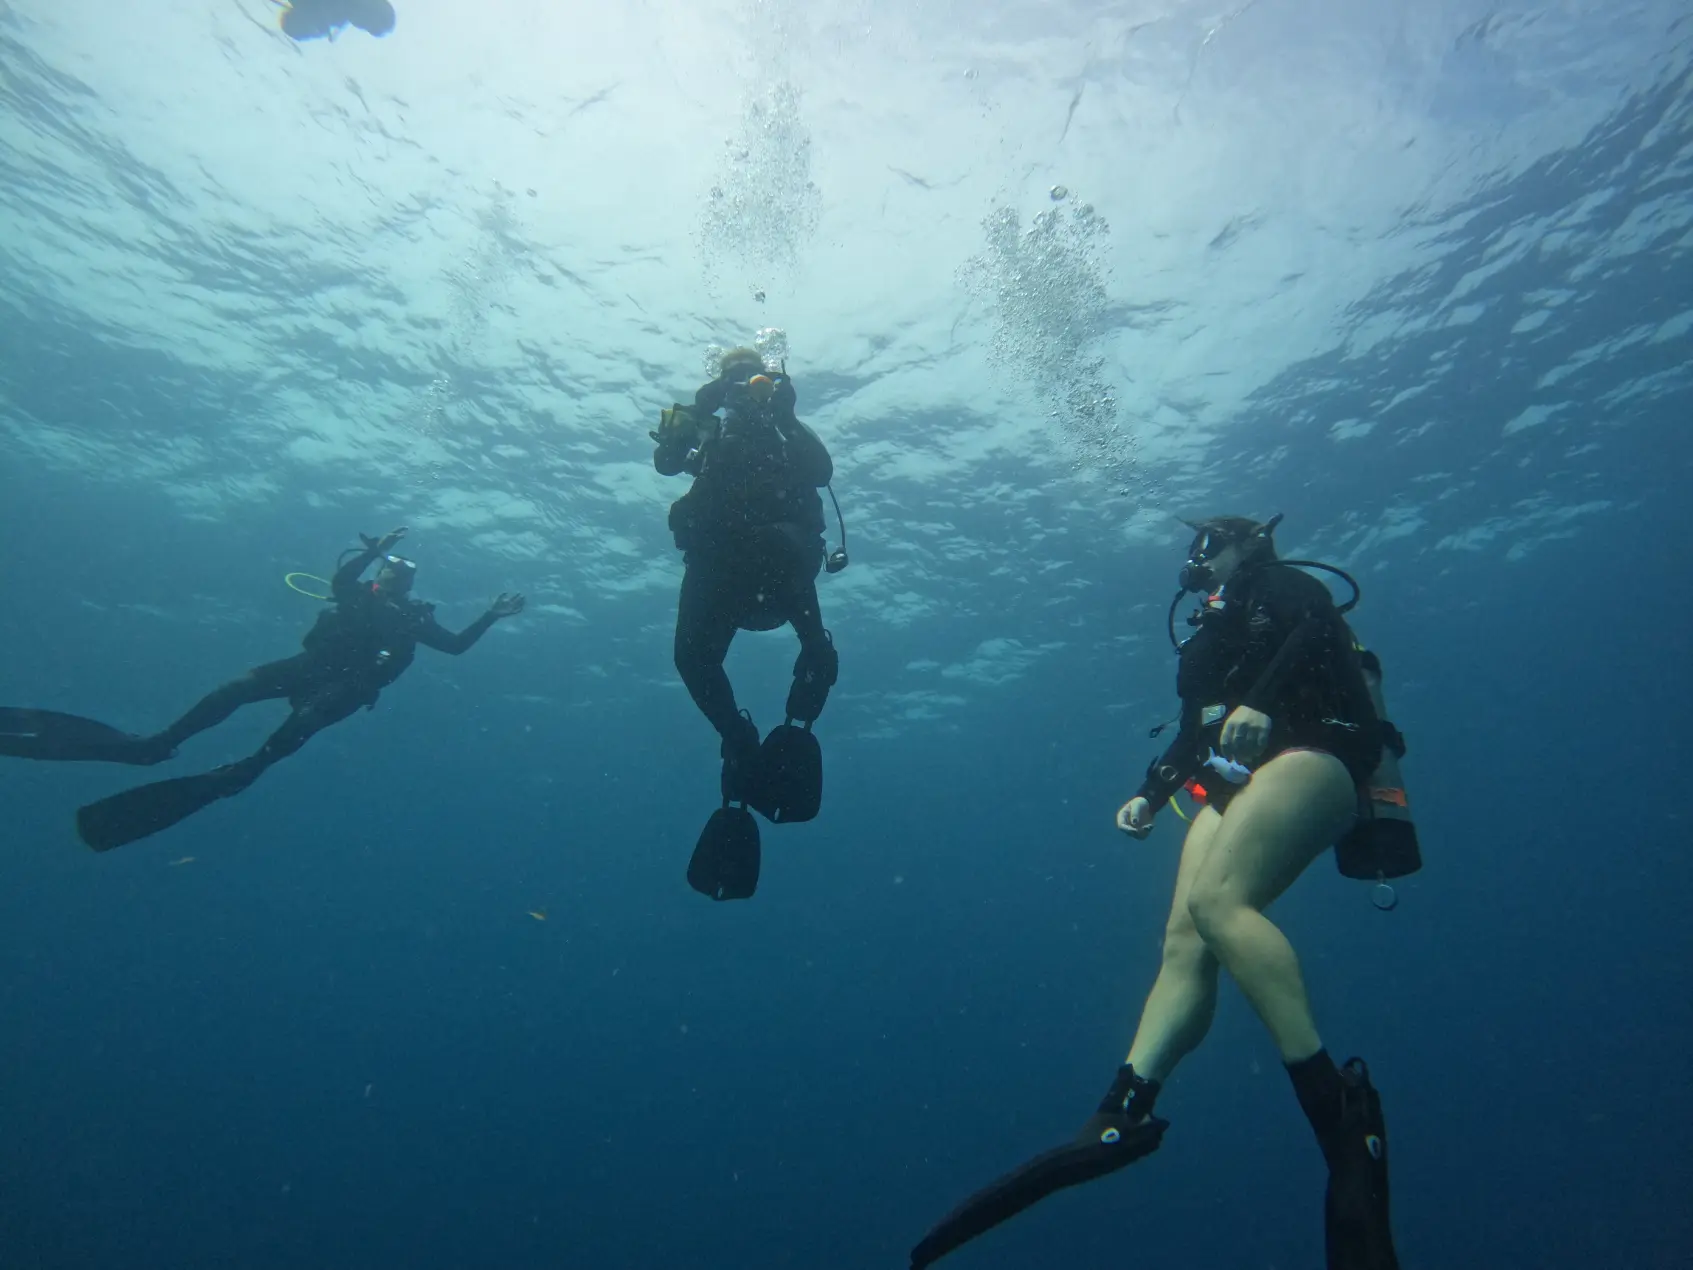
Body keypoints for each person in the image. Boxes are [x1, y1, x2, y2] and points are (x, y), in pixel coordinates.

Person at [911, 514, 1401, 1270]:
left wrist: (1263, 702)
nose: (1195, 555)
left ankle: (1335, 1107)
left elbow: (1312, 633)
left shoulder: (1279, 585)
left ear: (1245, 544)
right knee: (1183, 938)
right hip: (1240, 776)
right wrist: (1149, 792)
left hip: (1320, 750)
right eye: (1193, 547)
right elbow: (1194, 729)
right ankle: (1123, 1108)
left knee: (1218, 905)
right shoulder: (1214, 627)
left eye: (1208, 543)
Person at [0, 528, 523, 850]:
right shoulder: (358, 592)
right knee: (236, 688)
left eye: (396, 573)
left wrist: (491, 616)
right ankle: (157, 744)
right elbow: (343, 582)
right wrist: (370, 553)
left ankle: (243, 772)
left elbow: (454, 647)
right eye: (387, 570)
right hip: (308, 666)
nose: (390, 576)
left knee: (304, 723)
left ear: (408, 586)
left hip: (345, 686)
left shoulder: (410, 617)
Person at [652, 346, 840, 900]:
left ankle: (803, 704)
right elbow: (665, 462)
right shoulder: (707, 427)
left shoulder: (784, 427)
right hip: (721, 566)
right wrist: (700, 404)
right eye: (732, 379)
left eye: (753, 378)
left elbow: (822, 471)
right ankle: (738, 737)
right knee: (690, 658)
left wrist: (786, 412)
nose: (744, 387)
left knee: (813, 641)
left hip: (777, 563)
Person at [271, 0, 396, 41]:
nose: (363, 25)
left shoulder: (333, 20)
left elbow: (291, 25)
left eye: (369, 28)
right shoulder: (331, 20)